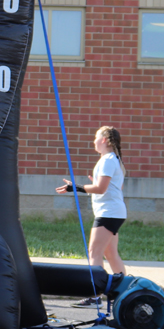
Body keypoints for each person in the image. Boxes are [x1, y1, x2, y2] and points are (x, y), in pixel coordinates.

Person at [56, 125, 128, 307]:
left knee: (94, 252)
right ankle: (125, 292)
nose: (93, 141)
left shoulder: (107, 160)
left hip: (108, 213)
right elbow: (112, 188)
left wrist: (76, 187)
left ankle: (95, 296)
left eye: (96, 137)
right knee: (110, 253)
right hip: (114, 212)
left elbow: (101, 189)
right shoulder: (112, 159)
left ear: (104, 140)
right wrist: (92, 185)